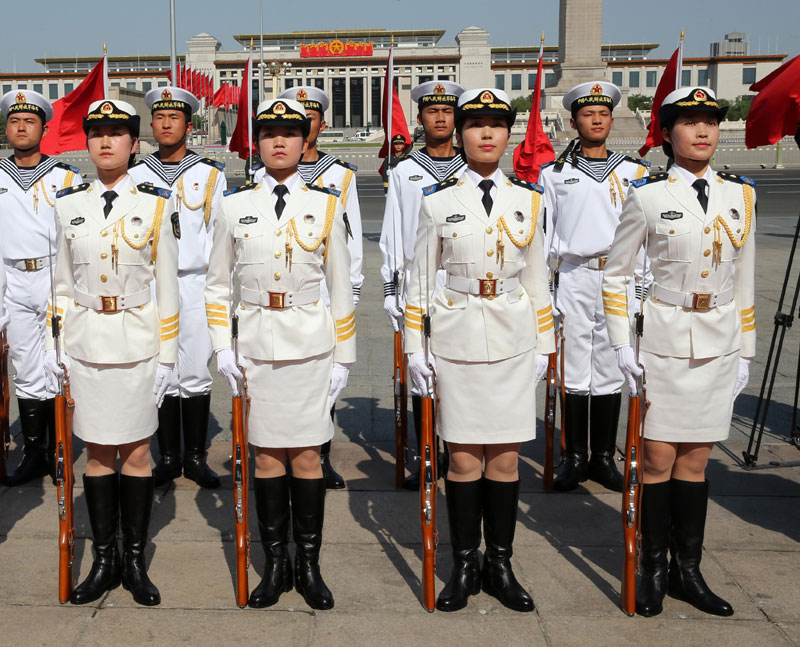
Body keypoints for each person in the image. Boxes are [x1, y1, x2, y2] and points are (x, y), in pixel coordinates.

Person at [604, 86, 753, 618]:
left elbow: (747, 278)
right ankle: (654, 568)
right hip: (664, 338)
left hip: (719, 339)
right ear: (668, 134)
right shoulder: (647, 196)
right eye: (690, 122)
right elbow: (616, 275)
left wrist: (749, 350)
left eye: (710, 121)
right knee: (658, 459)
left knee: (696, 460)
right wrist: (622, 341)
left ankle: (689, 571)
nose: (704, 130)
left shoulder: (741, 195)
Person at [405, 88, 554, 613]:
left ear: (509, 136)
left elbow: (538, 281)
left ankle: (501, 563)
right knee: (464, 460)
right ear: (460, 134)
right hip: (458, 337)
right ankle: (465, 562)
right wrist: (415, 350)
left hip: (514, 337)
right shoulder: (437, 201)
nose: (486, 133)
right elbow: (419, 283)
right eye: (475, 125)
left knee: (507, 461)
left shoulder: (530, 201)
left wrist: (545, 346)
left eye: (496, 125)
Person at [206, 98, 355, 610]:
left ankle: (309, 565)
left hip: (311, 343)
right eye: (268, 132)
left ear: (304, 140)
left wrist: (344, 358)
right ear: (258, 140)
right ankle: (275, 564)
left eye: (289, 132)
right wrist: (222, 347)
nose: (278, 141)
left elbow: (341, 286)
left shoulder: (326, 204)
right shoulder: (232, 205)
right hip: (256, 346)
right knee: (267, 457)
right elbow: (216, 286)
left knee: (309, 455)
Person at [44, 99, 180, 606]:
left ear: (134, 144)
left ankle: (134, 559)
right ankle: (103, 559)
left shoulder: (155, 204)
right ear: (86, 142)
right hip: (86, 341)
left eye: (116, 132)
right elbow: (60, 284)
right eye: (97, 132)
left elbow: (169, 287)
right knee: (99, 452)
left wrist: (167, 356)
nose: (105, 141)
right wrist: (58, 344)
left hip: (139, 340)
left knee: (139, 451)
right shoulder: (67, 204)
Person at [250, 85, 363, 490]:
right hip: (271, 305)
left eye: (307, 119)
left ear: (317, 125)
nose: (282, 138)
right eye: (271, 131)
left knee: (321, 391)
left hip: (321, 297)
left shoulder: (339, 176)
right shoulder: (252, 182)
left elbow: (350, 246)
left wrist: (349, 296)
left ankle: (322, 455)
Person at [539, 81, 649, 493]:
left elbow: (645, 235)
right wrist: (547, 287)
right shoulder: (554, 174)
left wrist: (642, 285)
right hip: (574, 274)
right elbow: (545, 235)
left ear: (612, 119)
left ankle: (603, 456)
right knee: (572, 366)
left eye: (603, 113)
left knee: (611, 366)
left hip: (619, 276)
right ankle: (573, 456)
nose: (597, 119)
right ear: (573, 122)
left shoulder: (634, 171)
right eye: (588, 114)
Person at [129, 86, 227, 489]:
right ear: (151, 124)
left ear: (189, 124)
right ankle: (167, 456)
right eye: (160, 117)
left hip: (194, 281)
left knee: (195, 372)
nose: (166, 124)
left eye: (175, 118)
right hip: (152, 284)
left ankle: (195, 457)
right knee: (160, 369)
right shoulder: (135, 175)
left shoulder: (209, 174)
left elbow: (221, 237)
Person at [379, 80, 466, 489]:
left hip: (462, 280)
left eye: (447, 111)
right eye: (433, 112)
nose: (441, 118)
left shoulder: (472, 169)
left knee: (460, 372)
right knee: (421, 372)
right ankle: (427, 453)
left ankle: (459, 453)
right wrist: (392, 290)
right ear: (421, 119)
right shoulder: (405, 171)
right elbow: (393, 233)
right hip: (419, 280)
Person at [0, 90, 82, 486]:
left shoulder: (65, 176)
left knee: (59, 364)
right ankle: (35, 452)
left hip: (53, 277)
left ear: (43, 129)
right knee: (25, 369)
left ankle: (59, 449)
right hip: (11, 278)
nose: (20, 127)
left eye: (29, 121)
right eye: (14, 121)